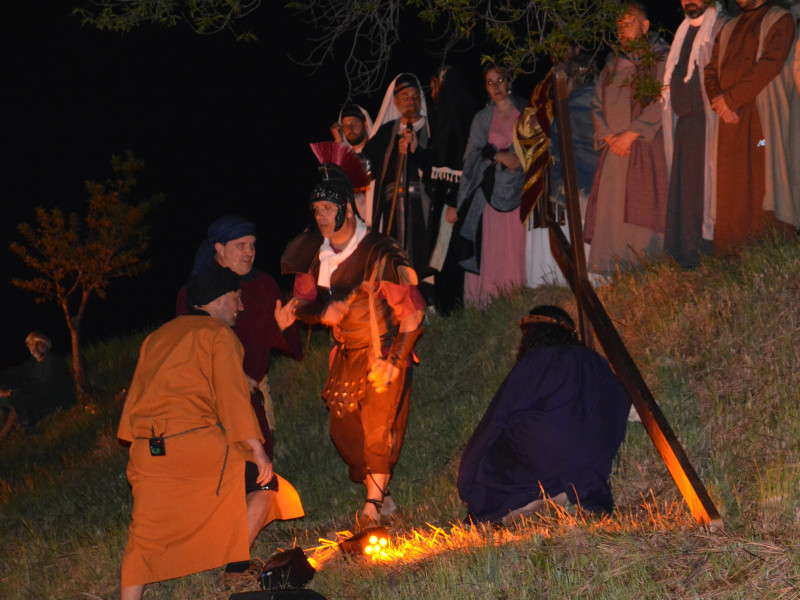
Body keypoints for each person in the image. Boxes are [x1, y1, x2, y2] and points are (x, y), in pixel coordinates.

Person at [118, 267, 304, 600]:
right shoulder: (218, 335)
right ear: (219, 299)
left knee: (144, 534)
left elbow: (135, 398)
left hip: (147, 449)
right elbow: (234, 399)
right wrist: (257, 450)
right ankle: (236, 568)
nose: (241, 307)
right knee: (266, 484)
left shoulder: (157, 337)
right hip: (193, 444)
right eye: (236, 298)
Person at [280, 143, 426, 528]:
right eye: (316, 210)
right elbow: (302, 303)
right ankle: (384, 494)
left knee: (379, 428)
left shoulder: (378, 250)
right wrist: (316, 312)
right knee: (344, 433)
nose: (321, 216)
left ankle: (371, 510)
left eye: (328, 208)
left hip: (382, 349)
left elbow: (414, 312)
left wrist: (395, 361)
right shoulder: (314, 252)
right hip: (345, 355)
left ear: (346, 205)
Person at [175, 215, 303, 578]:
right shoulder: (194, 294)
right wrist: (226, 382)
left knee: (260, 477)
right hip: (211, 404)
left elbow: (289, 348)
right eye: (240, 246)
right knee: (225, 478)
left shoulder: (263, 286)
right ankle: (218, 552)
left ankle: (233, 556)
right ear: (219, 249)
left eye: (253, 244)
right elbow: (187, 351)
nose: (249, 252)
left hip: (253, 401)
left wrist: (283, 329)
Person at [457, 305, 631, 524]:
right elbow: (619, 401)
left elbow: (495, 420)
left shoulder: (536, 360)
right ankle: (566, 494)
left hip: (538, 455)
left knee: (497, 455)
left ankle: (519, 502)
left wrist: (468, 482)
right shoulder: (595, 361)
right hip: (586, 461)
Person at [704, 0, 800, 255]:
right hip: (729, 120)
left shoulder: (781, 19)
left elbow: (771, 63)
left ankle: (768, 258)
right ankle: (729, 258)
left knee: (763, 183)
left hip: (762, 120)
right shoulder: (729, 27)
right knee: (730, 188)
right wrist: (719, 102)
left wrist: (730, 99)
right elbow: (710, 69)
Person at [584, 1, 670, 275]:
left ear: (645, 26)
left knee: (644, 208)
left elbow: (664, 98)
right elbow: (597, 104)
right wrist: (609, 137)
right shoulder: (611, 65)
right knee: (613, 213)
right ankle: (617, 273)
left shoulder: (661, 58)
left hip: (645, 148)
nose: (622, 30)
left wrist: (632, 134)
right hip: (614, 151)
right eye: (618, 25)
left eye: (628, 23)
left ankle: (648, 270)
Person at [454, 64, 528, 307]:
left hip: (522, 193)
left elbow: (540, 145)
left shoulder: (527, 110)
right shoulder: (482, 118)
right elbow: (471, 155)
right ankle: (488, 302)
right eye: (490, 82)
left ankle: (518, 298)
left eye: (500, 80)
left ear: (510, 81)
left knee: (518, 246)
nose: (496, 87)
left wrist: (521, 158)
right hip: (490, 196)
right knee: (493, 248)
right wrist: (497, 155)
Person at [661, 1, 727, 268]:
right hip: (683, 125)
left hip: (707, 123)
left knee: (703, 191)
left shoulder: (721, 26)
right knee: (683, 192)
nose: (690, 1)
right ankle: (683, 257)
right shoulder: (681, 31)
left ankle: (703, 256)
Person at [363, 73, 433, 276]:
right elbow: (368, 166)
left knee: (423, 259)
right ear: (395, 101)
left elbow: (437, 165)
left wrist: (416, 151)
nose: (411, 100)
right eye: (405, 96)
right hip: (391, 211)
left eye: (415, 96)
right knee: (394, 260)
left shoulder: (431, 128)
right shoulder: (386, 133)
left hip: (424, 207)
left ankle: (426, 304)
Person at [425, 66, 481, 314]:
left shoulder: (453, 112)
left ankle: (452, 310)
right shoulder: (448, 112)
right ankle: (449, 307)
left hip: (453, 200)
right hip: (451, 197)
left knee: (449, 256)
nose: (433, 91)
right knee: (444, 255)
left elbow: (457, 160)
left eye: (434, 85)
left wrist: (452, 201)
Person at [0, 332, 75, 440]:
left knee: (18, 396)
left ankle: (28, 430)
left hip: (55, 401)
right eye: (31, 345)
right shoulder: (33, 363)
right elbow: (15, 373)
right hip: (37, 398)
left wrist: (9, 393)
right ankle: (6, 433)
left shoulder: (53, 361)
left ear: (46, 345)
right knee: (6, 394)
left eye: (38, 344)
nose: (34, 347)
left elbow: (44, 388)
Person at [331, 103, 375, 223]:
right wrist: (339, 141)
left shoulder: (377, 152)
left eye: (354, 124)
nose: (350, 129)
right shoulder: (343, 157)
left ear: (365, 124)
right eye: (345, 126)